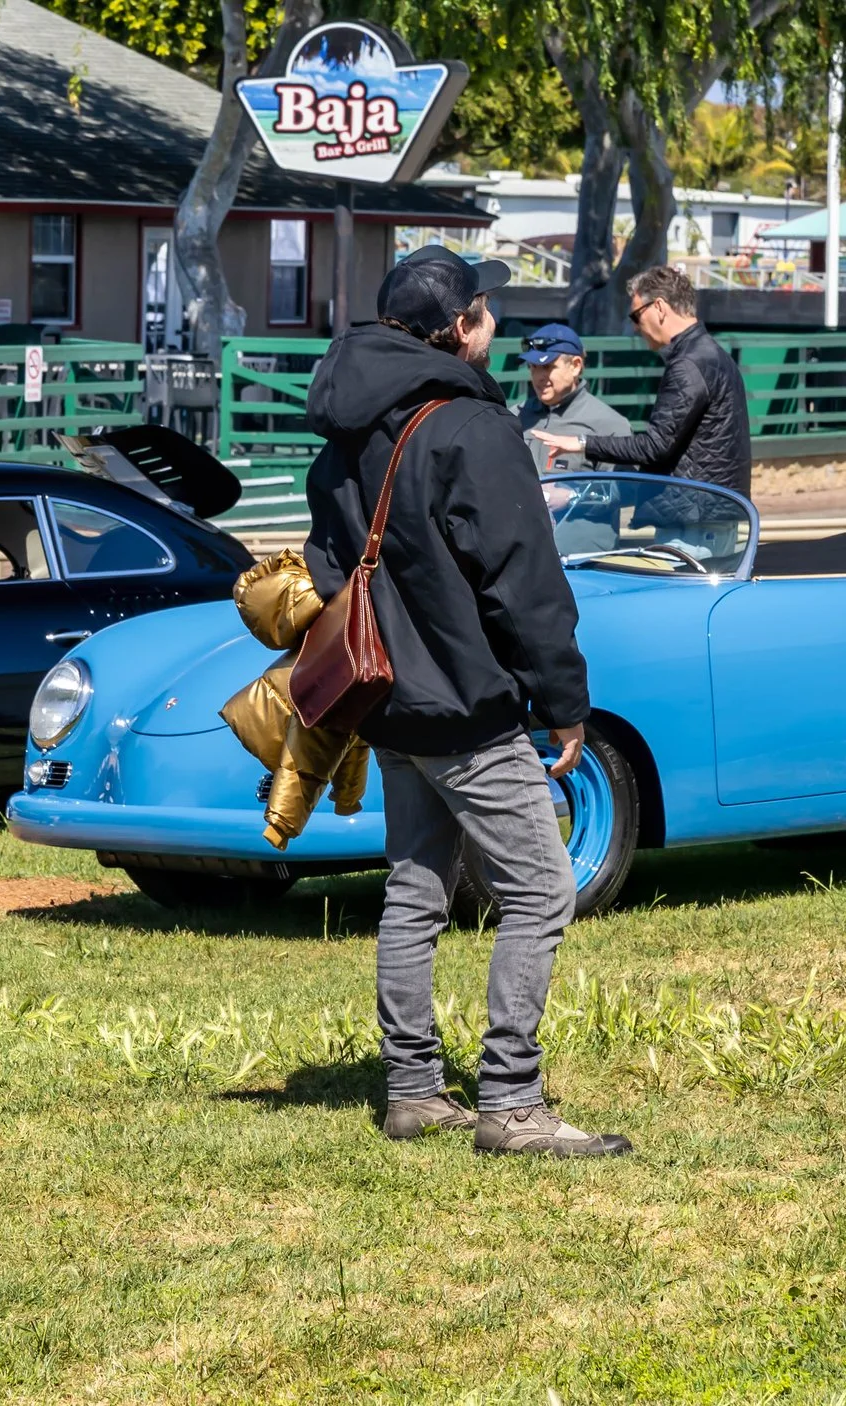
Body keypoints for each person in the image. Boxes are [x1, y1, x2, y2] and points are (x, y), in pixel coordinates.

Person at [301, 245, 629, 1160]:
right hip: (465, 707)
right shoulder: (471, 428)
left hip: (383, 699)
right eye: (485, 309)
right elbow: (524, 582)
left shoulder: (344, 428)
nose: (495, 324)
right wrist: (566, 703)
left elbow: (329, 571)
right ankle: (512, 1103)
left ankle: (413, 1089)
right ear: (457, 330)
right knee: (542, 887)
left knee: (414, 890)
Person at [528, 265, 750, 499]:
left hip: (695, 514)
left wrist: (582, 443)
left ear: (659, 307)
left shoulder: (689, 363)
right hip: (711, 506)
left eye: (636, 315)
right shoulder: (710, 354)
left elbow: (655, 446)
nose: (635, 326)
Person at [515, 322, 627, 476]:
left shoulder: (610, 426)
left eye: (547, 366)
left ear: (575, 366)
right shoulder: (514, 418)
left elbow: (620, 490)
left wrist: (572, 494)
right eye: (533, 367)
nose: (539, 377)